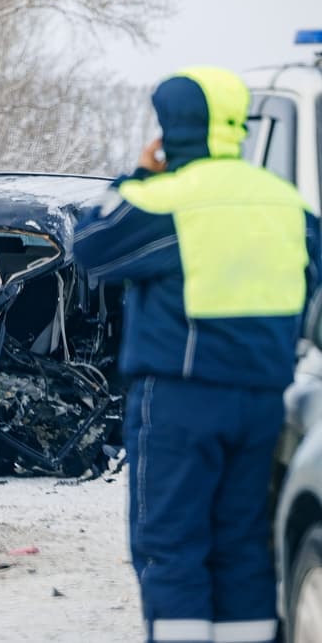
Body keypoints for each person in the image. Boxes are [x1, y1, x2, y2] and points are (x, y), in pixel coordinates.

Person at [74, 66, 319, 643]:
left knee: (172, 547)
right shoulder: (286, 203)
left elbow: (90, 245)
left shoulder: (168, 199)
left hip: (182, 401)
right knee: (241, 544)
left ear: (173, 127)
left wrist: (140, 171)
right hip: (264, 402)